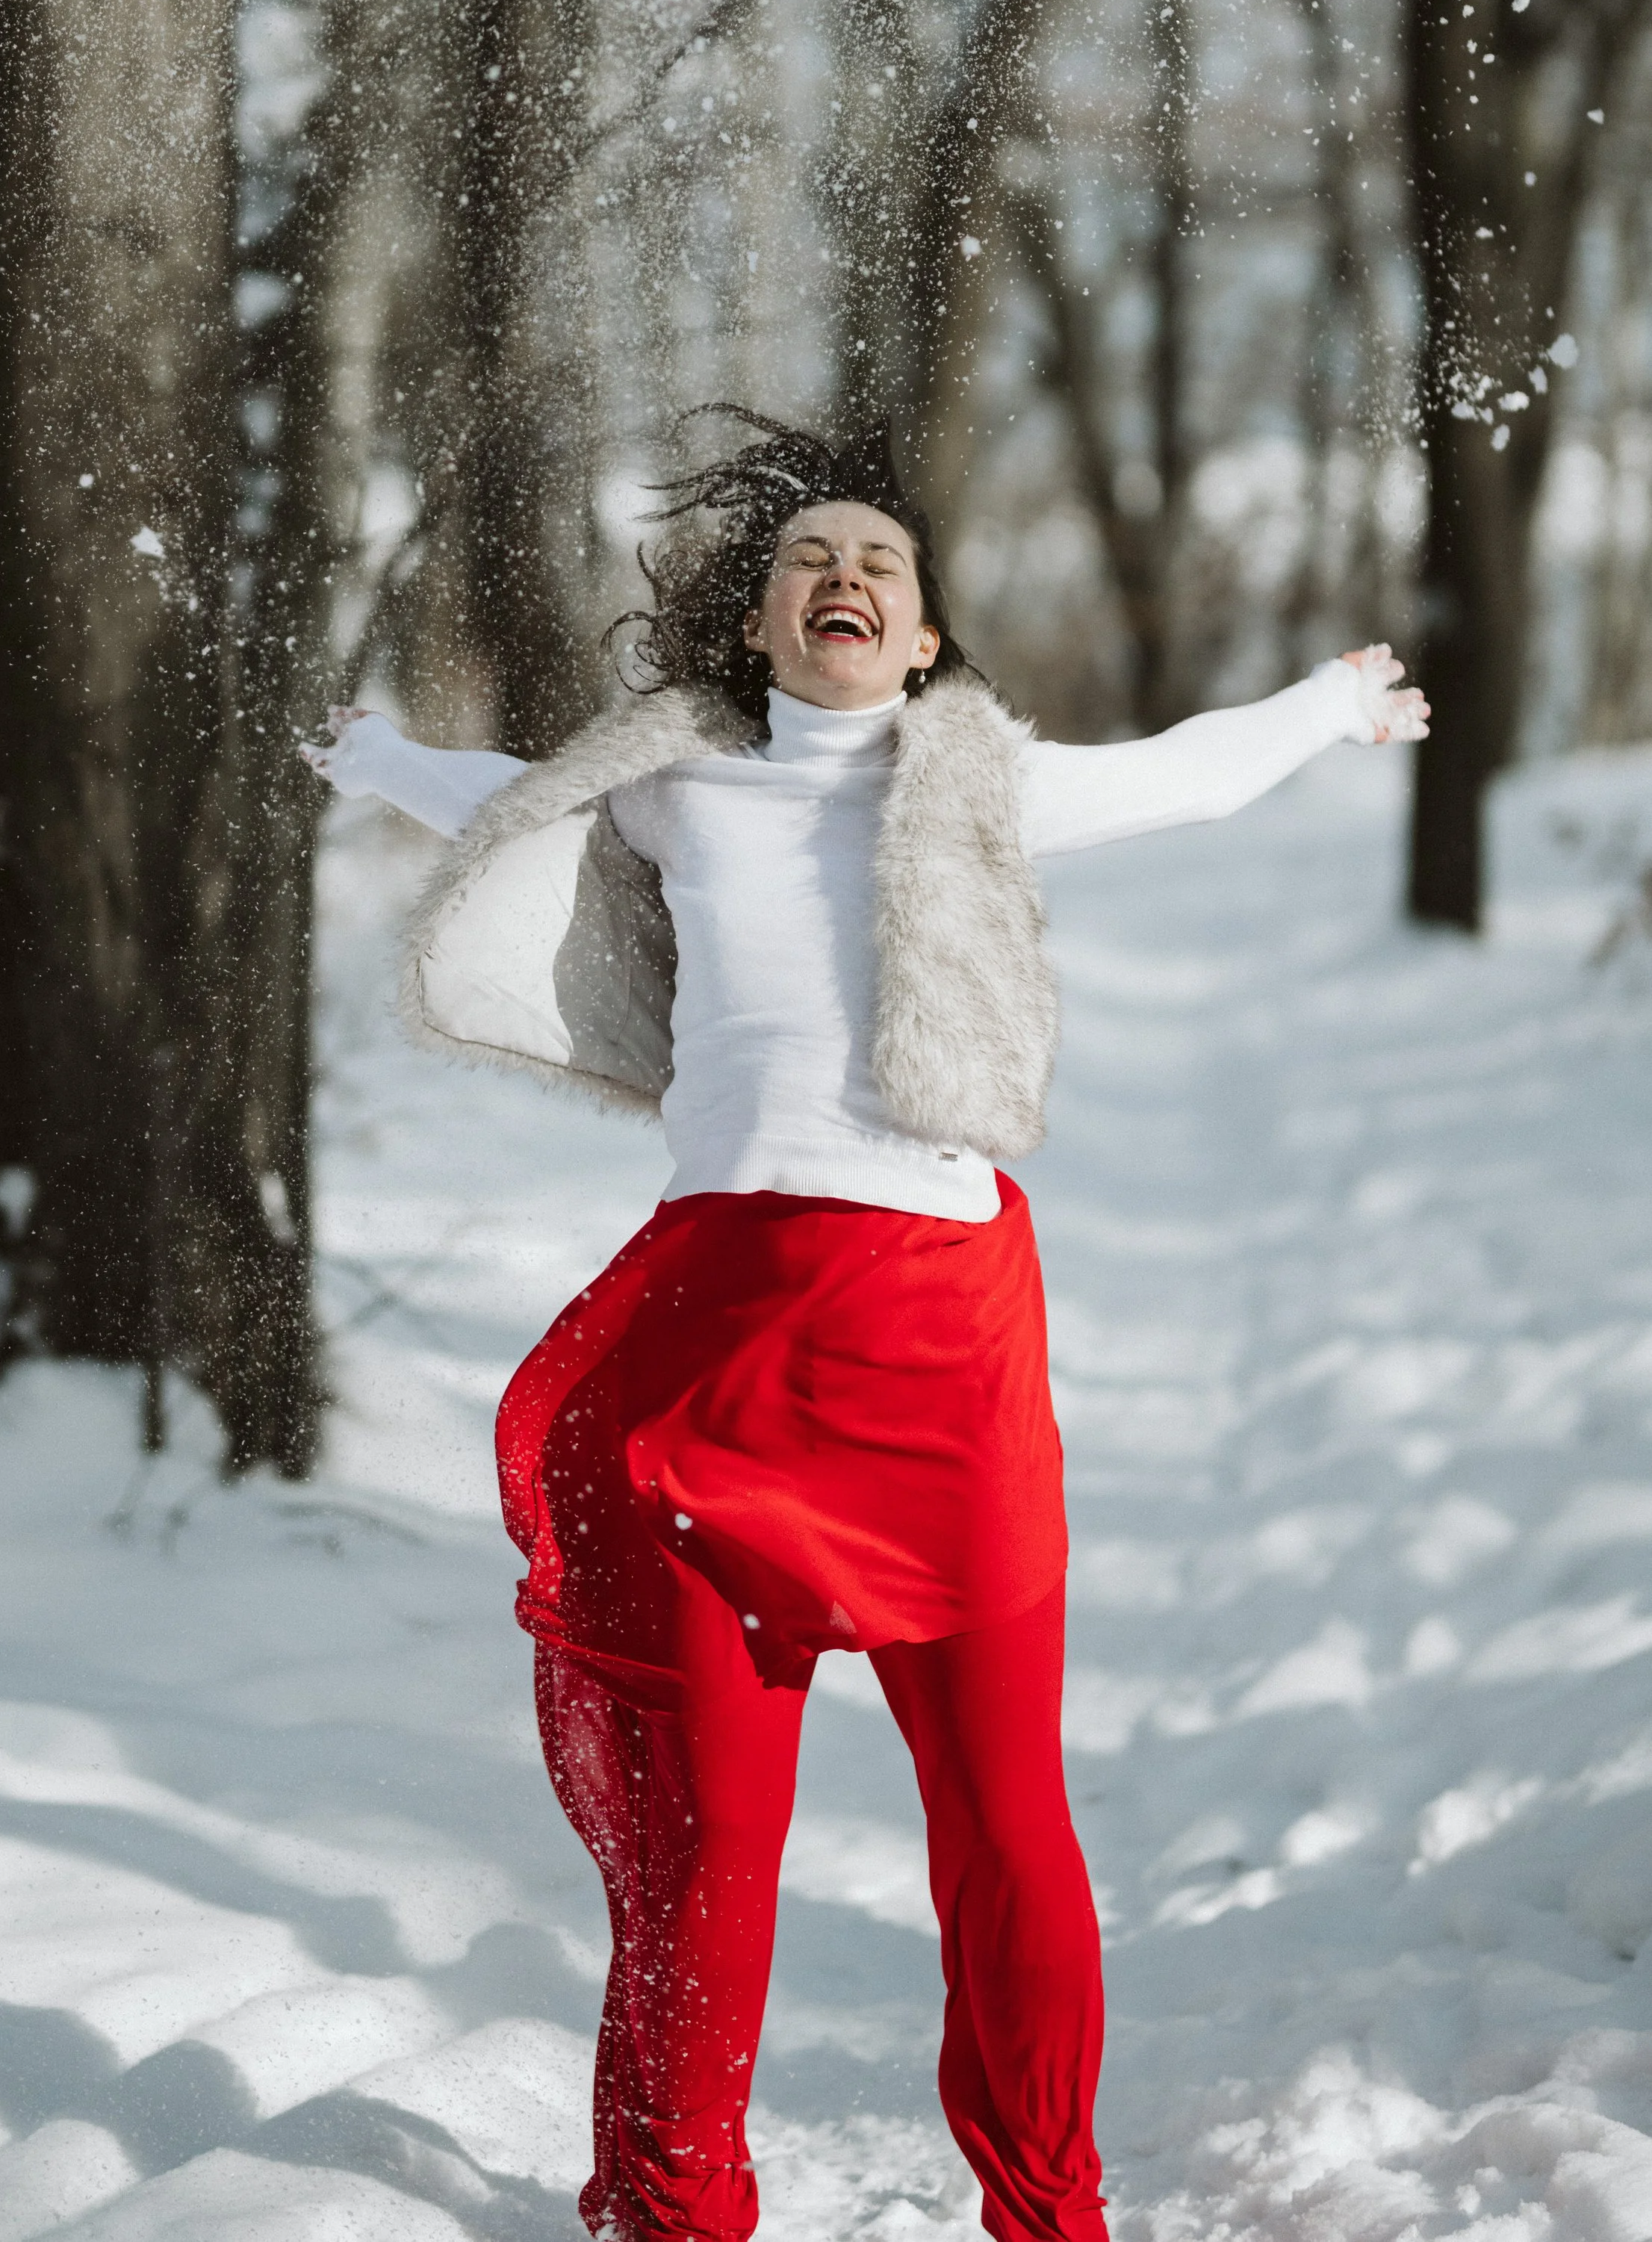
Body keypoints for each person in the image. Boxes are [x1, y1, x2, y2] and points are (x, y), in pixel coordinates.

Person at [300, 408, 1428, 2242]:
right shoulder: (676, 784)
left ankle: (1047, 2208)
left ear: (920, 643)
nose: (842, 576)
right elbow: (500, 793)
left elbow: (1188, 771)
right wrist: (376, 756)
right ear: (758, 630)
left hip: (938, 1345)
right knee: (705, 1859)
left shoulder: (986, 784)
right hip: (719, 1346)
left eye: (878, 566)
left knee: (1003, 1829)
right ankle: (676, 2211)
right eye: (807, 561)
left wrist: (1321, 706)